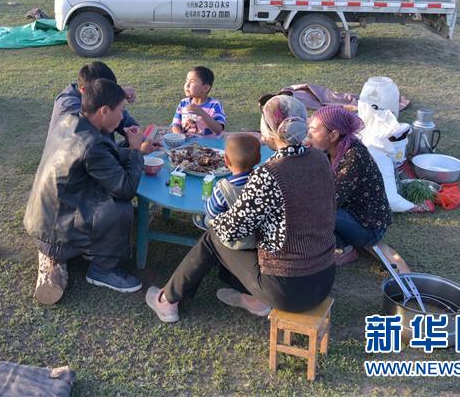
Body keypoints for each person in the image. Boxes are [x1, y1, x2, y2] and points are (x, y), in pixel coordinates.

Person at [146, 94, 336, 323]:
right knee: (248, 232)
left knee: (215, 235)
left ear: (268, 131)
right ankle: (251, 298)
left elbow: (231, 231)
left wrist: (212, 217)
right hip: (324, 276)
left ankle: (167, 300)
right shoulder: (320, 159)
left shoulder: (270, 173)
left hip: (287, 288)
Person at [25, 79, 160, 304]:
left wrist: (133, 149)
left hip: (44, 221)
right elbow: (125, 189)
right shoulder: (92, 144)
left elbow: (104, 155)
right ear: (104, 111)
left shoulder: (71, 120)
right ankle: (102, 269)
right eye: (121, 111)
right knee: (119, 205)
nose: (122, 118)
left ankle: (92, 248)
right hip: (57, 237)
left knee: (111, 192)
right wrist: (135, 151)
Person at [307, 105, 392, 266]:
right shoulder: (331, 150)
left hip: (368, 228)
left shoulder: (353, 157)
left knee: (315, 210)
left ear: (333, 135)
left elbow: (330, 201)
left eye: (314, 130)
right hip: (350, 213)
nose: (309, 135)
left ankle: (345, 249)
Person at [193, 133, 262, 236]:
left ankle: (204, 228)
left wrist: (208, 202)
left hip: (230, 234)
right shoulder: (263, 180)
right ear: (258, 159)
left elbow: (211, 212)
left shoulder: (223, 189)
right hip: (254, 231)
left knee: (207, 217)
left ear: (226, 160)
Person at [51, 61, 138, 141]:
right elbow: (88, 133)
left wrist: (135, 131)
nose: (109, 96)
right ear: (84, 90)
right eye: (106, 91)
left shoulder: (99, 98)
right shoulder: (67, 105)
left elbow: (117, 115)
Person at [171, 66, 226, 138]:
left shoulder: (214, 105)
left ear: (205, 88)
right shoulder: (183, 103)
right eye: (186, 80)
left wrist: (202, 112)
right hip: (186, 142)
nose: (187, 85)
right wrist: (180, 136)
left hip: (209, 143)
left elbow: (218, 129)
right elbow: (175, 125)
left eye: (192, 82)